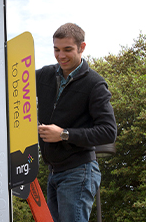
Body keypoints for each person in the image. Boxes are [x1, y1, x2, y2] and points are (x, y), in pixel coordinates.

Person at [36, 23, 117, 222]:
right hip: (53, 172)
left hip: (79, 172)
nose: (60, 55)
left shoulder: (94, 84)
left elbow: (108, 132)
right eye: (56, 49)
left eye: (67, 49)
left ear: (82, 47)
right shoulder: (44, 76)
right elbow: (11, 83)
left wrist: (64, 134)